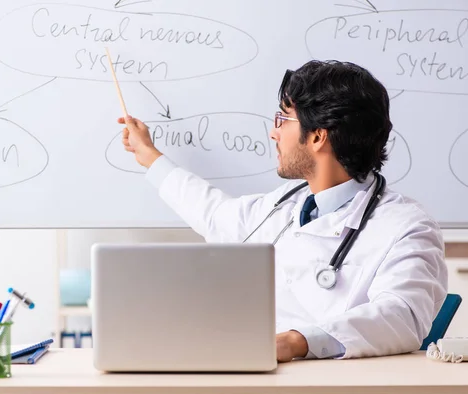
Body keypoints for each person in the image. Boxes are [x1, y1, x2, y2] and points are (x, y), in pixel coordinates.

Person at [117, 60, 448, 362]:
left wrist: (294, 342)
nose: (273, 132)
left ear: (318, 136)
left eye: (283, 118)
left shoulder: (406, 225)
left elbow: (403, 315)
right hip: (260, 377)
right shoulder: (283, 205)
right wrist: (149, 155)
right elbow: (212, 212)